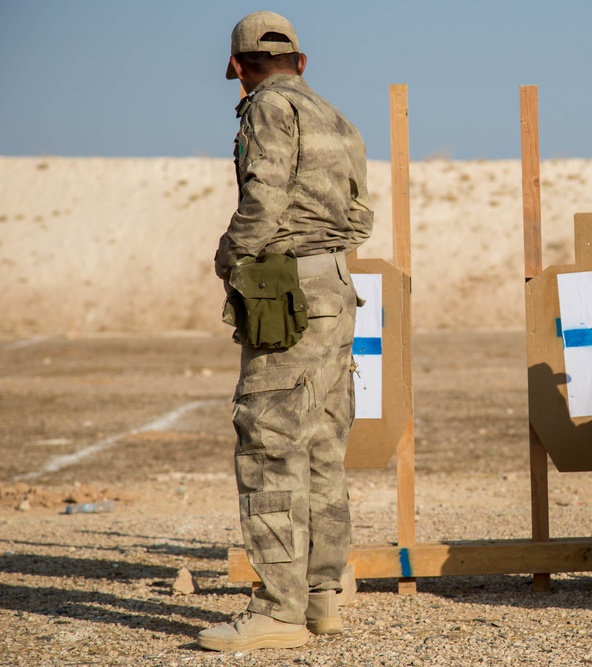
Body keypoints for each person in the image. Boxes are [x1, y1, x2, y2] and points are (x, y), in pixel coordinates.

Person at [197, 10, 373, 652]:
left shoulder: (266, 109)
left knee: (270, 441)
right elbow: (359, 215)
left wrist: (230, 256)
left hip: (286, 289)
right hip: (334, 286)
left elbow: (263, 200)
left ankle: (277, 611)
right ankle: (323, 597)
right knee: (322, 442)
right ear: (301, 61)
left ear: (239, 68)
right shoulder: (335, 116)